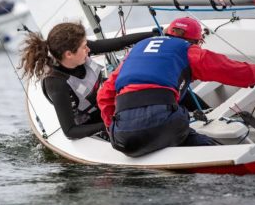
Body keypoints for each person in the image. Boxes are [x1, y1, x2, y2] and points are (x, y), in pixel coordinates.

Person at [97, 16, 255, 157]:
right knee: (191, 132)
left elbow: (104, 95)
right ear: (195, 41)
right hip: (165, 124)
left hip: (123, 138)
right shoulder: (188, 50)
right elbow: (235, 71)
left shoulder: (135, 52)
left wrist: (113, 129)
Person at [19, 21, 161, 139]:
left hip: (108, 101)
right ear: (69, 54)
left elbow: (117, 43)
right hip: (93, 121)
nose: (88, 49)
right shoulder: (56, 83)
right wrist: (110, 124)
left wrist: (156, 34)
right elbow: (70, 131)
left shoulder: (79, 51)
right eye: (84, 47)